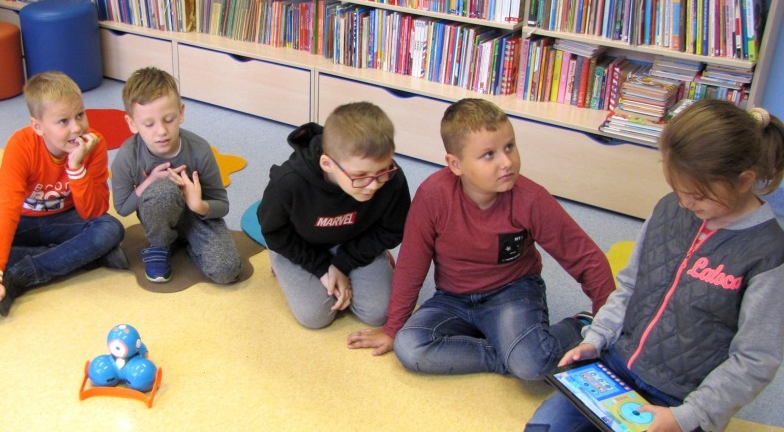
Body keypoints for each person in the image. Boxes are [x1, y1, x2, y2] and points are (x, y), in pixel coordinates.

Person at [521, 100, 784, 432]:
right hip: (619, 362)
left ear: (744, 181)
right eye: (678, 190)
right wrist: (596, 339)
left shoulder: (768, 254)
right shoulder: (670, 208)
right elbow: (629, 285)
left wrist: (688, 417)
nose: (684, 203)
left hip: (677, 396)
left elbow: (754, 360)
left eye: (697, 195)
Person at [348, 98, 615, 380]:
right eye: (489, 155)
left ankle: (577, 325)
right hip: (453, 298)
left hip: (512, 293)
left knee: (531, 365)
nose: (506, 162)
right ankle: (511, 354)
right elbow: (411, 265)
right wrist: (392, 328)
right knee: (409, 346)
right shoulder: (432, 195)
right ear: (456, 164)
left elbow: (586, 259)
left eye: (509, 146)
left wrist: (607, 327)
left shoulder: (531, 199)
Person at [0, 71, 126, 317]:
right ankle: (82, 257)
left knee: (110, 229)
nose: (77, 128)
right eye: (63, 121)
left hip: (67, 218)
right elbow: (8, 212)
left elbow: (94, 211)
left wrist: (76, 168)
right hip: (24, 220)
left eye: (80, 115)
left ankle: (22, 277)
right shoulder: (20, 147)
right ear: (38, 126)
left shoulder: (93, 143)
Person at [258, 101, 411, 329]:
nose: (373, 185)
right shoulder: (288, 182)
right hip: (300, 246)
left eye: (382, 171)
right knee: (316, 317)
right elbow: (274, 233)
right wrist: (321, 268)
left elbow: (393, 229)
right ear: (327, 163)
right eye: (360, 176)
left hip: (354, 242)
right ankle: (282, 269)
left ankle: (369, 262)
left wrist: (342, 264)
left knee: (378, 314)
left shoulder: (392, 178)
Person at [111, 66, 241, 284]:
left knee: (227, 271)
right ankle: (161, 245)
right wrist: (150, 181)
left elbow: (222, 205)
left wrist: (199, 205)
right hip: (158, 219)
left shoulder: (199, 150)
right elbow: (122, 208)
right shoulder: (128, 155)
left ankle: (188, 243)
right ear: (132, 124)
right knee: (162, 190)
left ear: (181, 112)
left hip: (197, 217)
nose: (161, 131)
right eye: (149, 124)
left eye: (169, 119)